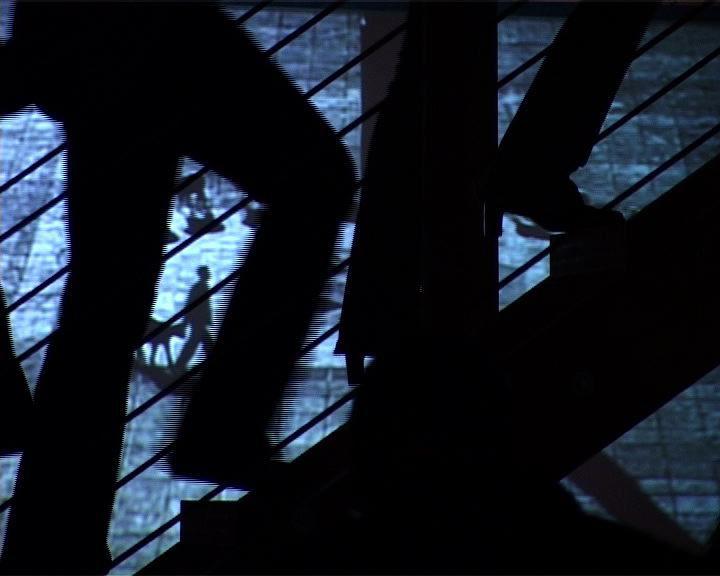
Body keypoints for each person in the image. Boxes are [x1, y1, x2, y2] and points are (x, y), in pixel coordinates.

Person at [0, 2, 354, 572]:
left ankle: (50, 545)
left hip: (96, 41)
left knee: (104, 311)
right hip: (143, 35)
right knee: (316, 181)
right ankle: (223, 427)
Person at [175, 265, 214, 372]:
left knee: (197, 342)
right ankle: (179, 365)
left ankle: (179, 364)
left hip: (198, 321)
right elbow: (193, 305)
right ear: (202, 274)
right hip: (198, 321)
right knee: (198, 343)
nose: (209, 274)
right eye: (207, 272)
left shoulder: (201, 286)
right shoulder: (199, 287)